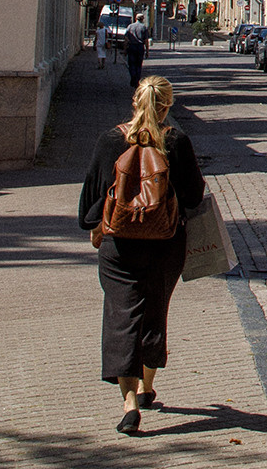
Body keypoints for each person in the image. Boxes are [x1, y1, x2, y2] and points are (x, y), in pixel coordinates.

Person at [77, 72, 205, 434]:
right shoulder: (176, 143)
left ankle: (130, 403)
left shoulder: (109, 141)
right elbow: (194, 197)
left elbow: (89, 205)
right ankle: (148, 387)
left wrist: (97, 223)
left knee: (122, 318)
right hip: (165, 246)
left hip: (120, 247)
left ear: (135, 102)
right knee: (154, 313)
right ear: (168, 107)